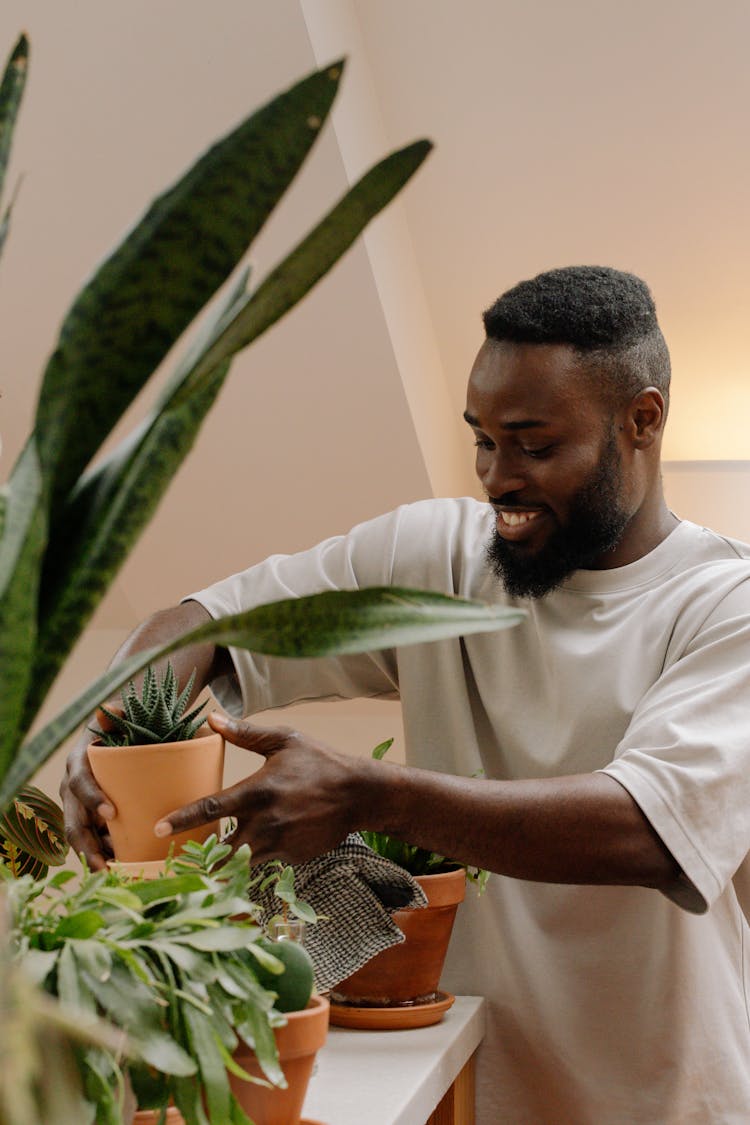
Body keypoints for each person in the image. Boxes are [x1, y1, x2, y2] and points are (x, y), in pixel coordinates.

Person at [62, 265, 750, 1123]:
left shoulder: (725, 605)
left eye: (536, 445)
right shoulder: (436, 557)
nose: (498, 477)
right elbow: (197, 623)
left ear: (642, 420)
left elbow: (649, 828)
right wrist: (113, 740)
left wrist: (368, 794)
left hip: (663, 1100)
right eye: (483, 440)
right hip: (459, 1089)